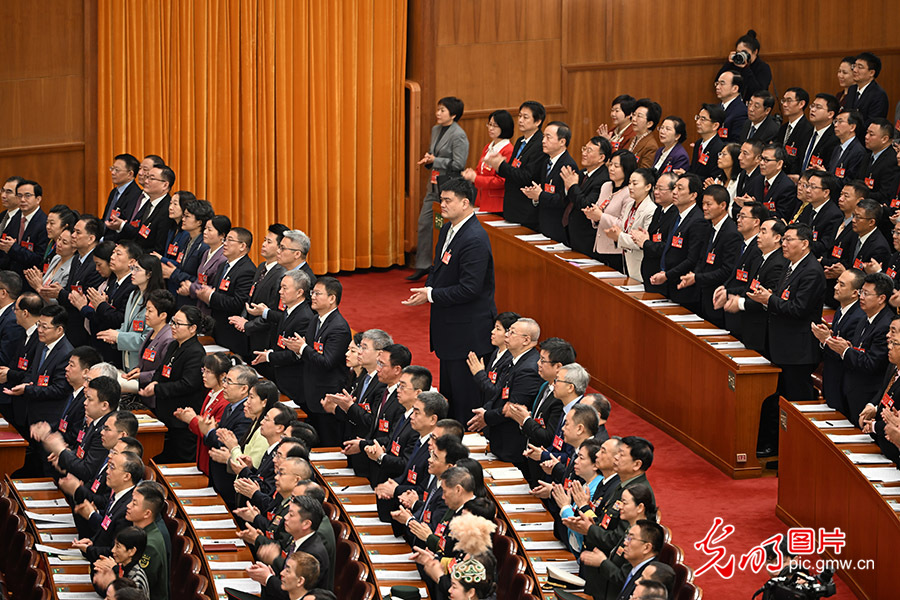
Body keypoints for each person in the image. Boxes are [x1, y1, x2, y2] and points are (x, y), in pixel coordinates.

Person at [403, 177, 496, 424]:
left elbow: (470, 288)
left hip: (468, 333)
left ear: (465, 203)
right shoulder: (448, 229)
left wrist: (431, 295)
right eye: (441, 199)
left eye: (447, 200)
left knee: (466, 401)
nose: (441, 204)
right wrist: (427, 289)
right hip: (450, 332)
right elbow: (438, 268)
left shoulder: (474, 238)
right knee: (450, 397)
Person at [749, 223, 826, 458]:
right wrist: (770, 299)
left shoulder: (811, 271)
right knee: (781, 400)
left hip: (798, 350)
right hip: (783, 346)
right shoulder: (791, 266)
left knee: (796, 404)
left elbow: (799, 309)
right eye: (783, 239)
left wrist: (768, 300)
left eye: (789, 240)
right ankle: (779, 450)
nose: (784, 243)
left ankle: (797, 455)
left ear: (804, 243)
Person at [281, 276, 351, 446]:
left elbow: (327, 362)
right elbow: (310, 351)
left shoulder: (339, 327)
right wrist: (297, 349)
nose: (312, 296)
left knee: (328, 442)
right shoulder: (316, 319)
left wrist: (303, 348)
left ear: (332, 298)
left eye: (318, 293)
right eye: (312, 292)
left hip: (327, 397)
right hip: (311, 393)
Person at [410, 96, 469, 281]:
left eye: (442, 110)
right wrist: (429, 160)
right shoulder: (436, 129)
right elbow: (434, 154)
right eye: (438, 109)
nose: (438, 113)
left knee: (441, 228)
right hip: (433, 185)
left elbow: (459, 163)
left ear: (453, 114)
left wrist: (436, 160)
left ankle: (438, 268)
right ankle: (423, 264)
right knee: (424, 223)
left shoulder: (459, 135)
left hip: (449, 188)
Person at [470, 317, 541, 468]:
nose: (507, 335)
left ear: (526, 340)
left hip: (513, 444)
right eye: (507, 331)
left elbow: (513, 408)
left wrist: (487, 417)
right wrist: (485, 410)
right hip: (500, 438)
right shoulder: (513, 359)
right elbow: (499, 393)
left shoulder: (528, 369)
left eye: (512, 332)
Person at [142, 306, 209, 463]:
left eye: (178, 323)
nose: (172, 326)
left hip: (181, 419)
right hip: (165, 413)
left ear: (192, 328)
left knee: (179, 459)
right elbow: (160, 369)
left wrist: (158, 389)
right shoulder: (174, 345)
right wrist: (155, 381)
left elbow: (188, 384)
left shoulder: (196, 352)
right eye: (172, 322)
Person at [677, 184, 742, 326]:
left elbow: (727, 270)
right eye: (703, 204)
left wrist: (697, 278)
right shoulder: (709, 228)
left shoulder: (732, 233)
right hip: (703, 295)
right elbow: (702, 259)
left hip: (717, 298)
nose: (704, 208)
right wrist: (693, 276)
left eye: (709, 204)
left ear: (723, 205)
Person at [228, 223, 287, 368]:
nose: (263, 244)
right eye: (264, 240)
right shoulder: (261, 267)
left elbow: (274, 312)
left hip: (265, 339)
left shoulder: (282, 275)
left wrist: (248, 325)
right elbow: (250, 297)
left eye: (269, 242)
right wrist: (242, 319)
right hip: (250, 336)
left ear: (280, 248)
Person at [252, 270, 314, 406]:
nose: (280, 292)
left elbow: (296, 354)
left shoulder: (304, 317)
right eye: (280, 287)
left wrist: (269, 356)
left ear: (299, 292)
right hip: (281, 374)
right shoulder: (289, 310)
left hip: (294, 381)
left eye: (285, 288)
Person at [649, 174, 708, 313]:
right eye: (674, 187)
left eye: (680, 189)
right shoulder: (677, 214)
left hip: (684, 288)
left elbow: (692, 259)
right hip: (669, 283)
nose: (674, 192)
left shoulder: (698, 221)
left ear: (693, 195)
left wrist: (667, 275)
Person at [96, 253, 164, 370]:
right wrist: (113, 334)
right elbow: (126, 326)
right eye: (132, 268)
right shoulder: (134, 294)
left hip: (144, 364)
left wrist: (118, 337)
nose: (132, 273)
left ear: (149, 274)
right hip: (126, 359)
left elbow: (148, 339)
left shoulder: (158, 300)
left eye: (137, 269)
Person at [812, 269, 865, 416]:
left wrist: (826, 339)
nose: (835, 287)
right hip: (832, 378)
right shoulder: (842, 310)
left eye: (842, 285)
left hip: (843, 383)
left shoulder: (858, 317)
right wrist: (827, 338)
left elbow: (846, 353)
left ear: (855, 293)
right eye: (837, 282)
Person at [487, 100, 546, 230]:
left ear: (537, 121)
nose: (520, 120)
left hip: (526, 210)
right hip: (512, 206)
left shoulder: (540, 145)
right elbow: (512, 170)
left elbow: (527, 176)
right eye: (519, 116)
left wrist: (501, 165)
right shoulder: (520, 141)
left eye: (525, 117)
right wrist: (498, 166)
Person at [197, 227, 256, 357]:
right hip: (217, 328)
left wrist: (211, 296)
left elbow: (238, 303)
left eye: (230, 240)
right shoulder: (223, 265)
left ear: (242, 246)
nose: (225, 243)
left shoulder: (247, 270)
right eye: (225, 240)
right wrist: (209, 294)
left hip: (232, 334)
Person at [201, 365, 255, 506]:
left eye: (229, 382)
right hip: (218, 478)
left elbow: (230, 445)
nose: (224, 385)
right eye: (224, 380)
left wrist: (210, 432)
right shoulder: (230, 406)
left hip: (230, 483)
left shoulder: (246, 415)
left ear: (244, 388)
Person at [521, 121, 578, 244]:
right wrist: (535, 196)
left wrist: (540, 195)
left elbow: (564, 200)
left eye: (548, 137)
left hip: (558, 229)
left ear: (562, 142)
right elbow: (545, 191)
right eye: (543, 137)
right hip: (544, 225)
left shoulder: (568, 166)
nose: (543, 141)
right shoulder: (547, 161)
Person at [174, 352, 230, 476]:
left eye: (208, 372)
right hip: (201, 459)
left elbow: (212, 432)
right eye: (203, 370)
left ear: (222, 376)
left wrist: (192, 420)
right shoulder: (211, 393)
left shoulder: (225, 401)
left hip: (212, 462)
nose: (204, 375)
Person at [583, 150, 638, 272]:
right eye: (611, 164)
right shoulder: (606, 186)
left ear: (627, 169)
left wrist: (601, 216)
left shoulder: (629, 193)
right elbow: (598, 210)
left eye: (616, 166)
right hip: (599, 245)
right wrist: (592, 215)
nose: (611, 168)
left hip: (616, 250)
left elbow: (624, 225)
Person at [120, 289, 176, 397]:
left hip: (155, 394)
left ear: (163, 315)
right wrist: (138, 368)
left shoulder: (168, 339)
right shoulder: (152, 331)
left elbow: (162, 372)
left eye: (150, 311)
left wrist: (141, 375)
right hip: (143, 390)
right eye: (146, 310)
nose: (146, 314)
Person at [563, 136, 611, 257]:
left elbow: (587, 205)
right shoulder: (583, 173)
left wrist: (572, 186)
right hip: (573, 235)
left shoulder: (604, 179)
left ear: (602, 157)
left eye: (589, 151)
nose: (584, 153)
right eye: (584, 149)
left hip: (587, 239)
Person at [607, 168, 658, 282]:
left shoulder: (651, 210)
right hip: (626, 259)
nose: (630, 187)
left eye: (635, 183)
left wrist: (619, 236)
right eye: (629, 183)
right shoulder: (630, 205)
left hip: (640, 263)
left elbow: (643, 242)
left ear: (648, 187)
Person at [630, 172, 678, 291]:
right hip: (648, 273)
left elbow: (668, 247)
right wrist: (644, 237)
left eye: (661, 189)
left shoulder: (676, 214)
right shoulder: (659, 210)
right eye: (655, 188)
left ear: (674, 191)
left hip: (661, 276)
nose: (655, 192)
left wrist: (646, 242)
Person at [123, 480, 169, 600]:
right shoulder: (140, 532)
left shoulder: (149, 545)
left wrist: (113, 569)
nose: (128, 506)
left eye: (134, 503)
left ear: (147, 513)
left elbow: (137, 586)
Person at [110, 165, 172, 254]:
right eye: (147, 177)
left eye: (151, 179)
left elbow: (159, 248)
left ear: (165, 185)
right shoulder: (148, 202)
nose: (146, 181)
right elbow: (138, 232)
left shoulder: (167, 209)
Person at [461, 110, 514, 214]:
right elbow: (479, 171)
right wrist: (472, 174)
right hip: (481, 200)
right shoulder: (488, 147)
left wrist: (476, 178)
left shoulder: (508, 150)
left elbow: (501, 181)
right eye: (489, 124)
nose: (490, 128)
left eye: (495, 125)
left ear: (504, 127)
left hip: (497, 204)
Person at [164, 198, 212, 308]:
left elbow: (201, 281)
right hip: (180, 297)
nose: (183, 219)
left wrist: (174, 273)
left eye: (187, 216)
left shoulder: (204, 246)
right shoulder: (187, 239)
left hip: (194, 303)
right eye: (183, 215)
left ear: (199, 222)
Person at [0, 179, 49, 277]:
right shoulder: (15, 218)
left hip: (29, 279)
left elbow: (39, 259)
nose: (22, 200)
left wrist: (13, 248)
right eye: (19, 196)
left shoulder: (44, 223)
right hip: (10, 276)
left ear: (38, 199)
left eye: (27, 196)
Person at [181, 214, 229, 311]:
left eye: (209, 230)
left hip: (210, 308)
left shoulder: (223, 258)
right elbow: (200, 277)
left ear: (222, 235)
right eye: (205, 228)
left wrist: (191, 288)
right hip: (199, 304)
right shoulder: (207, 252)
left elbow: (215, 288)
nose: (205, 232)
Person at [92, 526, 150, 594]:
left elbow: (124, 596)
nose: (112, 550)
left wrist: (114, 574)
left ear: (131, 551)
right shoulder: (124, 569)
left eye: (118, 546)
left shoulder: (137, 579)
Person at [717, 30, 772, 100]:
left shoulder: (763, 68)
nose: (741, 55)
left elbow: (758, 91)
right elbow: (718, 81)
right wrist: (729, 63)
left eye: (744, 52)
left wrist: (745, 68)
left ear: (755, 52)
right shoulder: (735, 64)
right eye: (738, 52)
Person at [749, 144, 798, 220]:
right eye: (761, 158)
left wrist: (754, 207)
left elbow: (781, 215)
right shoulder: (757, 179)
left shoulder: (787, 186)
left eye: (766, 160)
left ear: (779, 164)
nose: (761, 163)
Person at [776, 88, 813, 177]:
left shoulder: (808, 129)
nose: (784, 104)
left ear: (801, 104)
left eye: (789, 101)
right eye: (783, 100)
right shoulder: (783, 128)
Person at [844, 52, 890, 123]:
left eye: (860, 67)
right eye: (854, 66)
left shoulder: (879, 95)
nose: (855, 70)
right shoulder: (852, 89)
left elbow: (873, 123)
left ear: (871, 73)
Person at [803, 94, 840, 173]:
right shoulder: (806, 132)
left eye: (818, 107)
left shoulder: (835, 138)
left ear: (830, 114)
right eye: (812, 106)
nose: (812, 109)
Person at [688, 104, 726, 180]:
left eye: (703, 119)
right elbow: (694, 170)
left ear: (715, 125)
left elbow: (712, 178)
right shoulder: (698, 143)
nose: (698, 122)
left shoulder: (719, 148)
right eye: (698, 117)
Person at [829, 110, 868, 182]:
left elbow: (849, 181)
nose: (835, 125)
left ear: (852, 127)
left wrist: (827, 178)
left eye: (840, 121)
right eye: (835, 121)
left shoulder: (858, 151)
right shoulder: (837, 148)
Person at [714, 71, 747, 143]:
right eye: (717, 83)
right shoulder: (717, 107)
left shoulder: (741, 112)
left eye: (722, 84)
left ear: (735, 88)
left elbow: (735, 143)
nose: (717, 87)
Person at [626, 99, 661, 168]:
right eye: (634, 115)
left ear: (649, 124)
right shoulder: (633, 138)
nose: (633, 119)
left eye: (639, 116)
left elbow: (643, 173)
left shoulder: (651, 146)